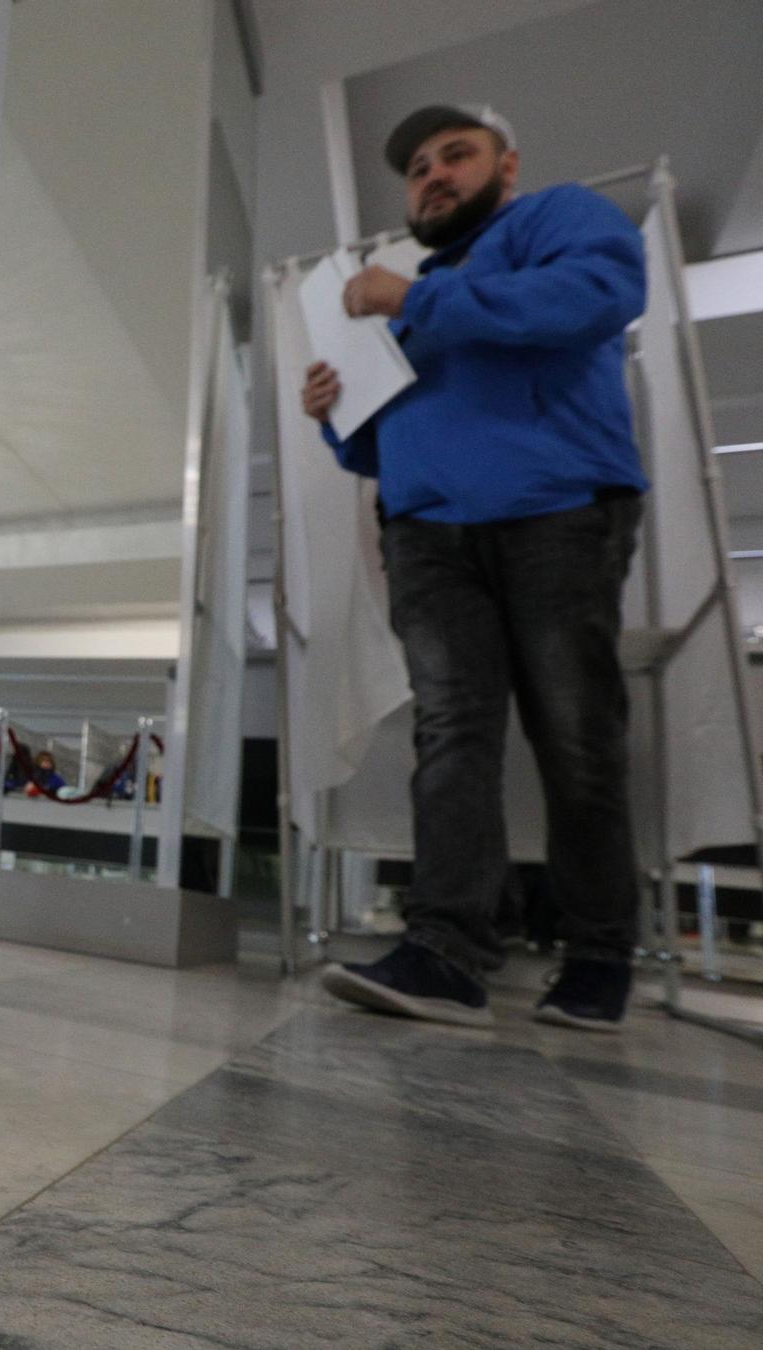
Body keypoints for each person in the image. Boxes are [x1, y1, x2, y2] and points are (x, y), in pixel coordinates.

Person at [304, 105, 647, 1032]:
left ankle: (600, 955)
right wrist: (339, 415)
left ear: (508, 166)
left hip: (558, 513)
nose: (434, 175)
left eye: (457, 155)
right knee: (450, 738)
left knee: (574, 736)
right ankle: (446, 953)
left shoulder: (555, 221)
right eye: (418, 166)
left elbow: (596, 299)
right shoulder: (417, 295)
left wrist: (413, 302)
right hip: (427, 534)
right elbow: (388, 444)